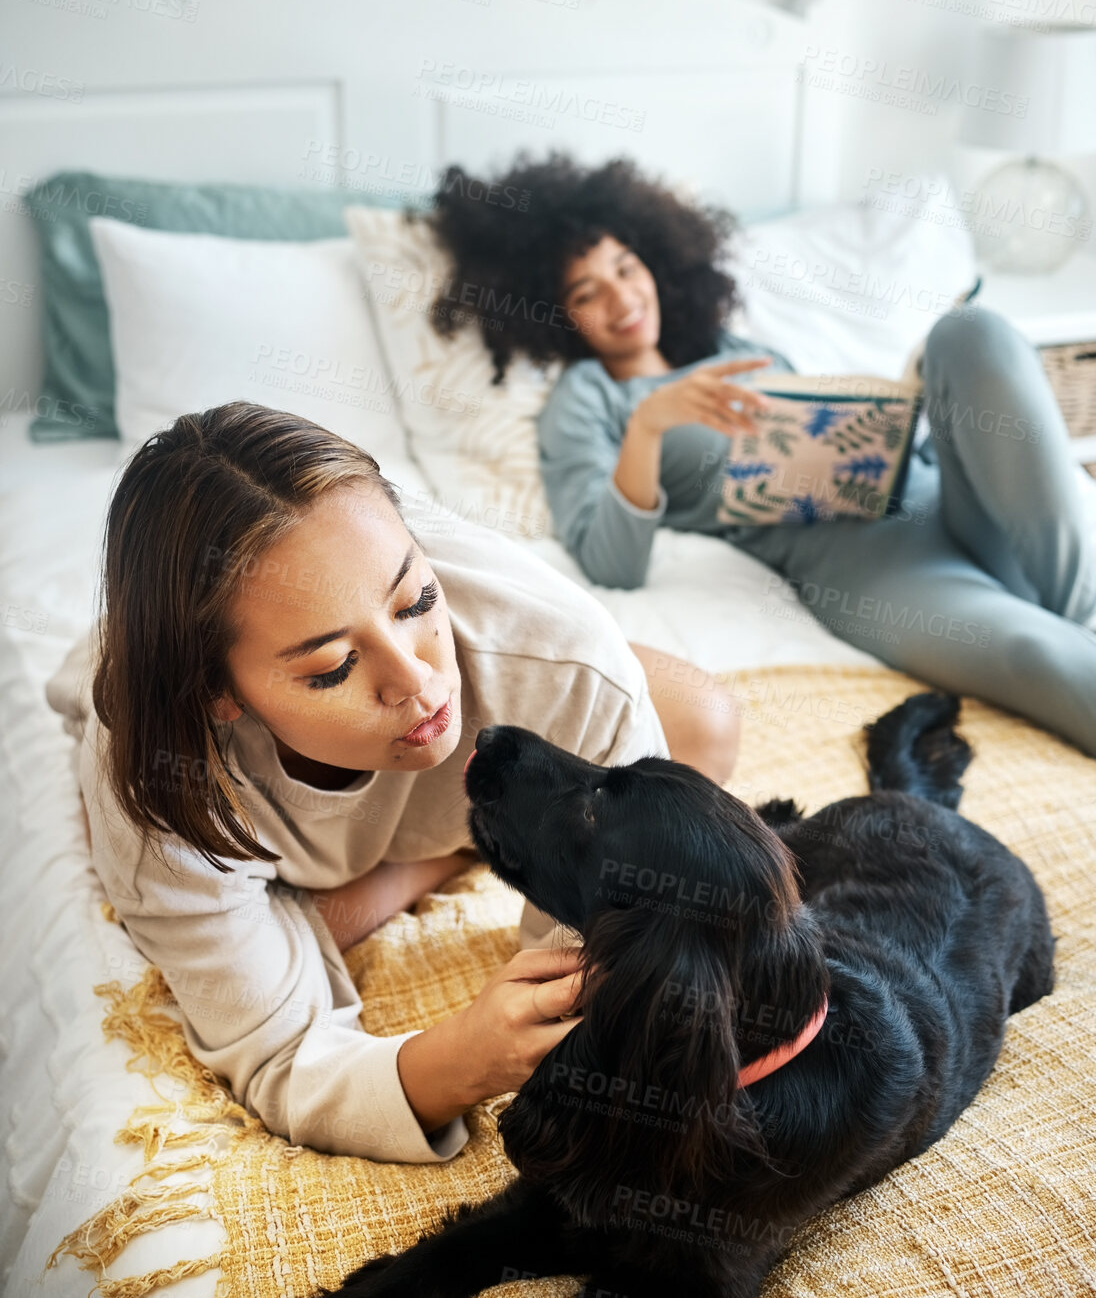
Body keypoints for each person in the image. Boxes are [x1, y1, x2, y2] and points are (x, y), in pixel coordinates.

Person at [46, 402, 738, 1166]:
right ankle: (446, 853)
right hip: (187, 727)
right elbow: (278, 1057)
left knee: (704, 720)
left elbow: (593, 949)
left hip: (501, 682)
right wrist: (460, 1059)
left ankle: (438, 841)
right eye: (332, 667)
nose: (419, 683)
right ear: (219, 691)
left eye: (417, 603)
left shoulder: (563, 661)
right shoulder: (165, 785)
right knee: (225, 935)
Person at [429, 153, 1096, 780]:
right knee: (1034, 649)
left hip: (943, 499)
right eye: (588, 291)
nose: (621, 296)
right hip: (868, 568)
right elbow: (609, 560)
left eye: (626, 267)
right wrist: (652, 423)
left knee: (970, 330)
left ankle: (1079, 608)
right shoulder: (590, 397)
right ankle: (1076, 632)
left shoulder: (729, 343)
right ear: (556, 315)